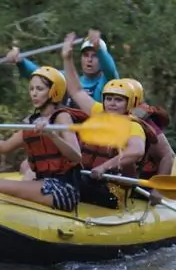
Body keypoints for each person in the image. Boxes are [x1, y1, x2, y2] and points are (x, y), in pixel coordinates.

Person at [0, 66, 84, 211]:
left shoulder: (62, 117)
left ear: (54, 91)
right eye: (31, 89)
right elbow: (4, 147)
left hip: (62, 189)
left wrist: (52, 135)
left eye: (39, 89)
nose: (34, 94)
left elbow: (76, 156)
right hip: (41, 182)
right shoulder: (32, 121)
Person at [61, 34, 147, 208]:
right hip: (88, 179)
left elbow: (136, 151)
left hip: (112, 189)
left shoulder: (133, 126)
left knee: (69, 183)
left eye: (118, 100)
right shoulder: (99, 111)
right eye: (109, 99)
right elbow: (76, 90)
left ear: (128, 103)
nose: (112, 104)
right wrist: (67, 58)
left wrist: (104, 167)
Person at [5, 28, 119, 107]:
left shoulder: (108, 82)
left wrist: (98, 48)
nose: (89, 60)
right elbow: (43, 74)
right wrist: (20, 61)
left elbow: (110, 69)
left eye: (95, 56)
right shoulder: (70, 79)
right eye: (85, 55)